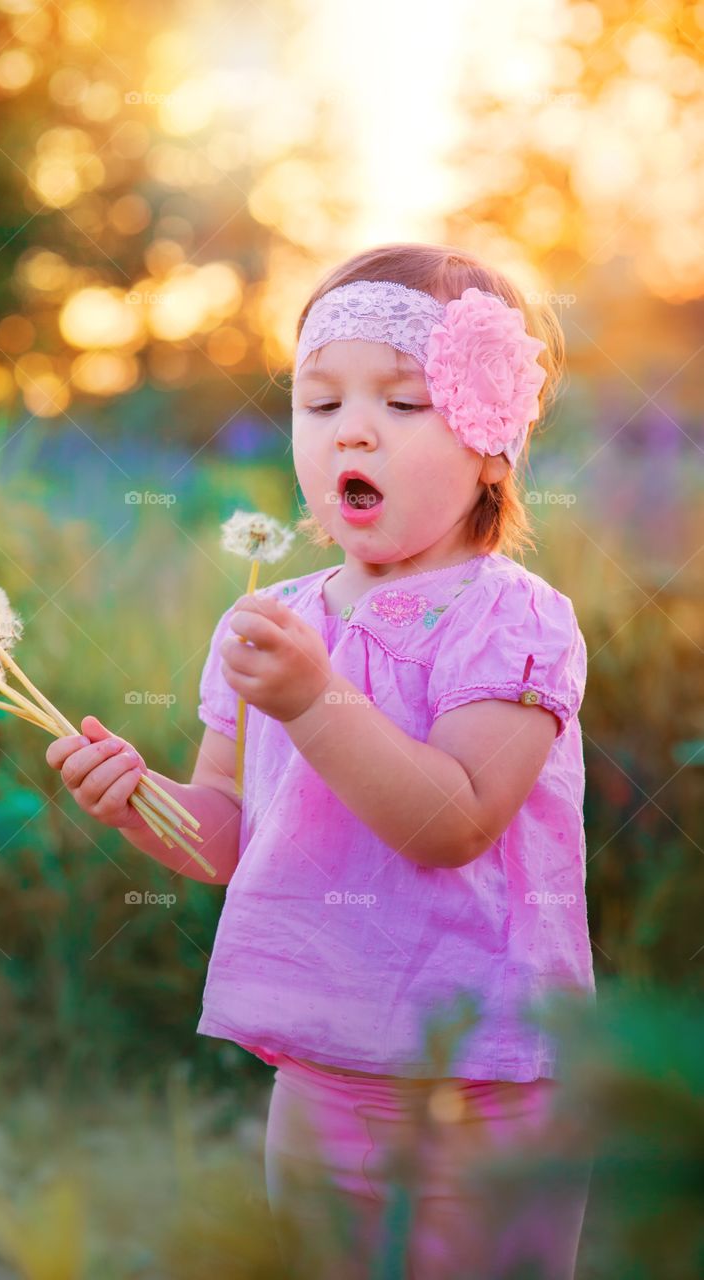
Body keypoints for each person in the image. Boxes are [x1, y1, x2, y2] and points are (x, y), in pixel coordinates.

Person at [46, 243, 595, 1279]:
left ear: (490, 443)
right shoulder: (274, 620)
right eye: (317, 401)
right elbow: (229, 833)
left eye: (400, 401)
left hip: (483, 1079)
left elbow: (456, 819)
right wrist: (139, 801)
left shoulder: (512, 617)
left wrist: (314, 696)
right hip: (319, 1069)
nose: (350, 426)